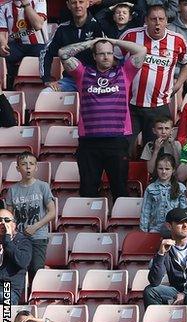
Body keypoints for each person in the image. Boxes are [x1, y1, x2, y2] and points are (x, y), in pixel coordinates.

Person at [59, 37, 146, 201]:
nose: (106, 57)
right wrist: (90, 43)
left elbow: (142, 51)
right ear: (94, 56)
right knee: (88, 190)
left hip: (117, 140)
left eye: (109, 53)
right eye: (101, 54)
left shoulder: (124, 72)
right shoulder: (82, 73)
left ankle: (119, 225)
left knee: (120, 189)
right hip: (89, 142)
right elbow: (63, 53)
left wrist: (113, 41)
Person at [116, 4, 187, 151]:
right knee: (122, 148)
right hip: (131, 105)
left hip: (159, 106)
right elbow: (114, 59)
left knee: (155, 152)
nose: (157, 23)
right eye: (153, 19)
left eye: (161, 19)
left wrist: (178, 84)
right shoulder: (130, 36)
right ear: (146, 20)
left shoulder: (177, 40)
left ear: (166, 21)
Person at [4, 152, 55, 280]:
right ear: (17, 168)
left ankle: (35, 298)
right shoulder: (12, 190)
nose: (28, 167)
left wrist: (35, 227)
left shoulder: (43, 186)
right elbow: (9, 217)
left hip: (38, 236)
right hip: (20, 238)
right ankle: (10, 298)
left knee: (36, 271)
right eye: (24, 164)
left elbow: (52, 212)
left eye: (31, 164)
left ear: (36, 167)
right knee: (14, 270)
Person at [40, 0, 103, 93]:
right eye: (74, 2)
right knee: (46, 93)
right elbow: (46, 52)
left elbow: (108, 55)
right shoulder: (62, 28)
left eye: (81, 2)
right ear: (68, 5)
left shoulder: (99, 26)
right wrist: (47, 79)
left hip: (94, 80)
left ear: (88, 3)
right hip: (69, 81)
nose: (77, 6)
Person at [0, 0, 48, 89]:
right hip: (16, 45)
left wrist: (26, 4)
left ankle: (47, 85)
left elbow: (37, 25)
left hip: (38, 44)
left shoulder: (40, 1)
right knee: (4, 55)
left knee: (46, 54)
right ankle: (9, 89)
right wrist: (2, 45)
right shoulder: (4, 7)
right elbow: (2, 32)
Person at [140, 153, 187, 232]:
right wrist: (144, 231)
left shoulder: (181, 188)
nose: (164, 171)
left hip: (175, 230)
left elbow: (184, 211)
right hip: (155, 229)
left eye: (167, 169)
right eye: (160, 168)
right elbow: (145, 212)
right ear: (156, 169)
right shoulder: (150, 188)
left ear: (173, 170)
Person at [0, 208, 31, 305]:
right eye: (0, 220)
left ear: (14, 224)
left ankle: (6, 320)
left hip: (8, 287)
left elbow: (23, 262)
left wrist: (7, 240)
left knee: (6, 313)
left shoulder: (23, 242)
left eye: (7, 220)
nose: (3, 223)